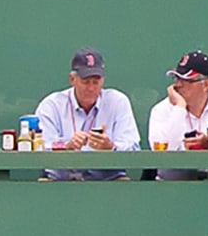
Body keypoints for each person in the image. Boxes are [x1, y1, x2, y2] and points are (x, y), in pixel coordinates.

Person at [35, 47, 140, 181]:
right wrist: (67, 147)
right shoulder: (52, 105)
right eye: (85, 82)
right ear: (72, 79)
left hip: (107, 182)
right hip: (61, 183)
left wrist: (111, 147)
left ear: (103, 80)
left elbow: (133, 148)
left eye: (96, 82)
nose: (91, 88)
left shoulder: (117, 101)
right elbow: (40, 149)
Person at [146, 50, 208, 181]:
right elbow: (163, 156)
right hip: (173, 190)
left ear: (207, 85)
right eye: (177, 78)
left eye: (186, 80)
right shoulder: (161, 110)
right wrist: (179, 107)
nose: (178, 84)